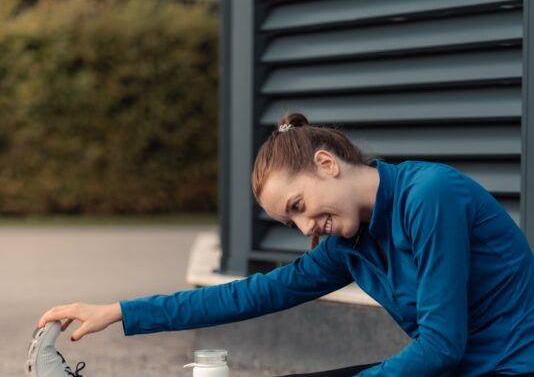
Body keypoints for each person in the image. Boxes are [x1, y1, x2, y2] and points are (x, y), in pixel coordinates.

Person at [38, 112, 534, 376]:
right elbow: (251, 293)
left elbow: (443, 347)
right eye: (289, 220)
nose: (305, 230)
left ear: (326, 163)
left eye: (297, 206)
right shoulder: (351, 241)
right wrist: (121, 311)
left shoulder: (430, 196)